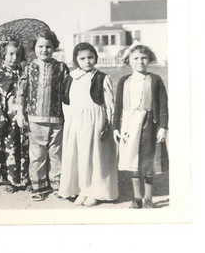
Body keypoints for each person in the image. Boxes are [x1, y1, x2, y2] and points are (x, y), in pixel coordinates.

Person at [58, 42, 119, 206]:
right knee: (79, 157)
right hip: (75, 122)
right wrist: (70, 122)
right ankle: (81, 190)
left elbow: (109, 105)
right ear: (76, 59)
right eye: (82, 58)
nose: (87, 61)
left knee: (95, 158)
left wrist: (107, 123)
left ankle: (95, 191)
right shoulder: (71, 78)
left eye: (91, 57)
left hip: (95, 122)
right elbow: (66, 102)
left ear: (96, 58)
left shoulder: (102, 78)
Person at [15, 30, 69, 201]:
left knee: (56, 153)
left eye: (48, 46)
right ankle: (38, 186)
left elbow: (68, 93)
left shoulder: (61, 67)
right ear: (34, 48)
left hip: (56, 118)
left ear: (54, 48)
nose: (44, 50)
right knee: (37, 154)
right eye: (40, 46)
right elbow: (21, 92)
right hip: (35, 118)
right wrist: (19, 114)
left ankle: (57, 185)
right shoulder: (29, 67)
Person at [113, 42, 168, 209]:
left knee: (148, 162)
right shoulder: (124, 81)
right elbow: (118, 106)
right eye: (135, 58)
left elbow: (163, 104)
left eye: (144, 58)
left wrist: (163, 127)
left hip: (149, 124)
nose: (140, 61)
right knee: (133, 161)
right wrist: (116, 127)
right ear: (128, 60)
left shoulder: (155, 79)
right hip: (129, 125)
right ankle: (137, 197)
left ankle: (148, 198)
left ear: (149, 60)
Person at [0, 37, 30, 193]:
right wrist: (1, 117)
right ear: (3, 55)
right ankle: (9, 180)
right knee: (8, 148)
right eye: (10, 54)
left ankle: (24, 178)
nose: (14, 58)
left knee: (23, 147)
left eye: (17, 55)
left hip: (22, 114)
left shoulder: (22, 72)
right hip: (5, 116)